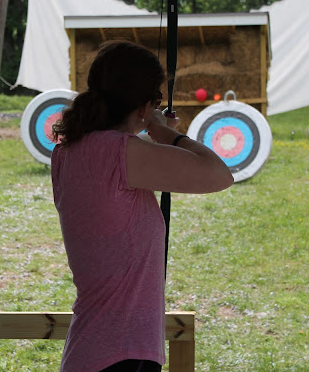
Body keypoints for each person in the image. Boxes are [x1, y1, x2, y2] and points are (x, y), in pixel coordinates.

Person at [51, 40, 233, 372]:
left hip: (92, 349)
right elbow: (219, 175)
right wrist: (165, 133)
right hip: (122, 354)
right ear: (142, 106)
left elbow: (117, 166)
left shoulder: (71, 151)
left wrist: (153, 132)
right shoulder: (120, 154)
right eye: (156, 100)